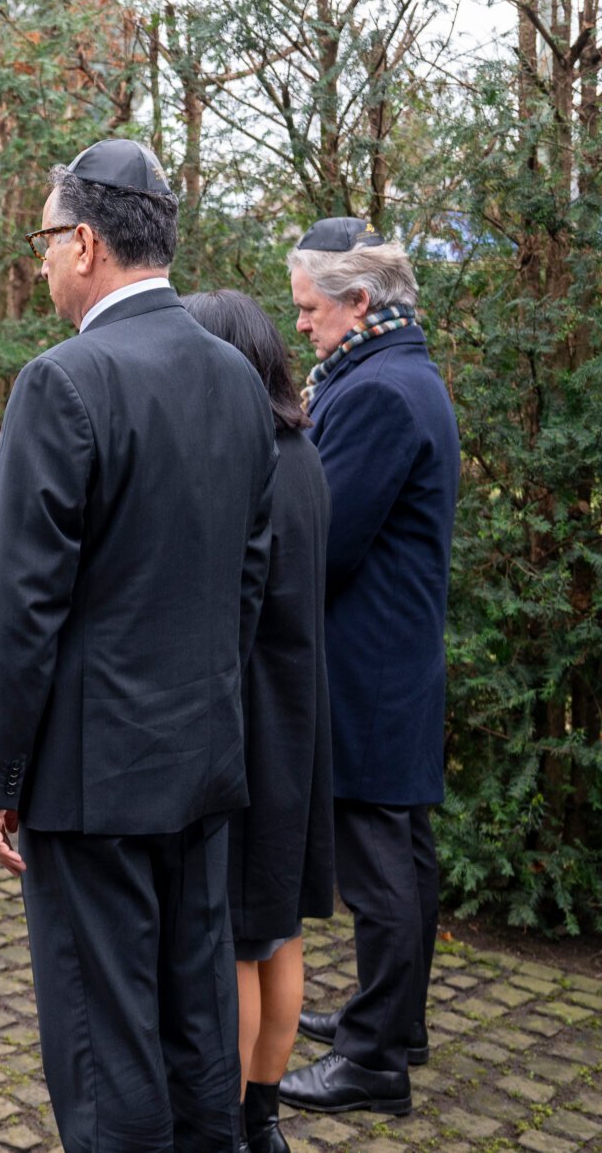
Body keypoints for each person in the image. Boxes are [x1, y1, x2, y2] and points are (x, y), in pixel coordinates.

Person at [0, 138, 277, 1153]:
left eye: (47, 239)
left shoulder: (63, 381)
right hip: (201, 762)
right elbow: (248, 577)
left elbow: (23, 604)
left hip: (91, 780)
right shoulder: (237, 375)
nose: (42, 260)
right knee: (193, 1019)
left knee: (103, 1049)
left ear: (87, 241)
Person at [277, 218, 460, 1118]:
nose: (300, 325)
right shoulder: (396, 372)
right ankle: (394, 1020)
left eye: (310, 309)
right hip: (393, 657)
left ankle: (374, 1062)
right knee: (406, 858)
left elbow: (325, 538)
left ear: (357, 301)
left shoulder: (379, 392)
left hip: (367, 666)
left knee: (380, 871)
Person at [181, 290, 334, 1153]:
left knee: (238, 940)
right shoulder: (304, 450)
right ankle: (264, 1117)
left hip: (250, 727)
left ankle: (230, 1128)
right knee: (277, 929)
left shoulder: (247, 463)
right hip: (299, 724)